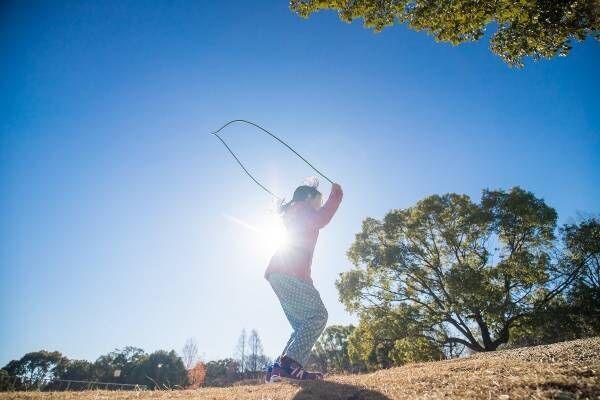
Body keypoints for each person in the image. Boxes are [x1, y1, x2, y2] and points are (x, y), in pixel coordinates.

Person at [264, 181, 343, 382]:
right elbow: (322, 218)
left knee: (302, 325)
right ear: (309, 198)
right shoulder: (303, 210)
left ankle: (279, 370)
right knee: (318, 315)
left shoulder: (294, 211)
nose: (321, 201)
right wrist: (336, 195)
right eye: (320, 198)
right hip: (289, 271)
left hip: (279, 273)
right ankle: (291, 364)